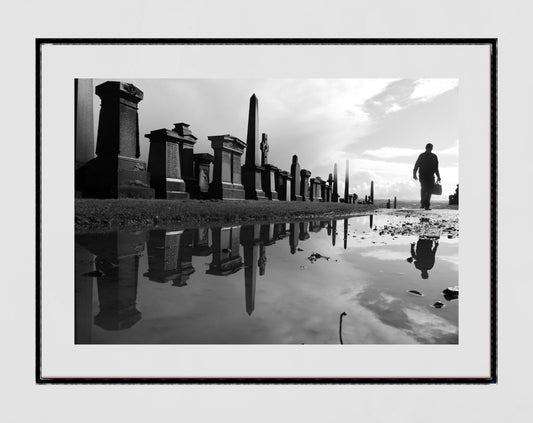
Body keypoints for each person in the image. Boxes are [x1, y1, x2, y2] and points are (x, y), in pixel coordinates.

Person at [413, 143, 441, 210]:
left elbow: (436, 168)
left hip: (430, 175)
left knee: (429, 190)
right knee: (424, 188)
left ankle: (425, 204)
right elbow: (416, 165)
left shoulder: (434, 156)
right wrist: (414, 174)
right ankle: (424, 203)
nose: (430, 149)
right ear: (426, 148)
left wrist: (438, 176)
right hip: (423, 175)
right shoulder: (422, 156)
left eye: (431, 148)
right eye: (429, 147)